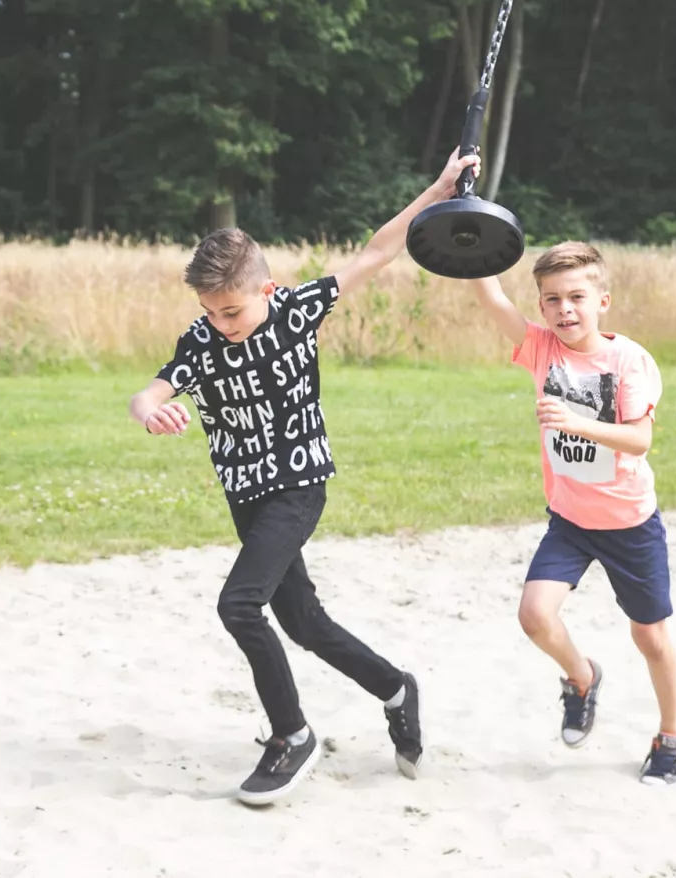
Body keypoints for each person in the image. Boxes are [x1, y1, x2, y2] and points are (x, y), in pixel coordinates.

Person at [128, 148, 478, 806]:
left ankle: (291, 735)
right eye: (211, 312)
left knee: (238, 604)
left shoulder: (295, 312)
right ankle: (397, 688)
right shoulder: (203, 340)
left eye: (232, 312)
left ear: (267, 288)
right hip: (247, 497)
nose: (221, 325)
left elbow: (376, 252)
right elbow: (152, 391)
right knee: (304, 623)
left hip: (296, 483)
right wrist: (150, 411)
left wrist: (436, 190)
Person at [469, 238, 676, 785]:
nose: (564, 310)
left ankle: (672, 735)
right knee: (535, 616)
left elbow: (639, 440)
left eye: (575, 297)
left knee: (651, 638)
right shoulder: (542, 349)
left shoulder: (629, 360)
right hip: (570, 521)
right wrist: (470, 241)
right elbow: (493, 301)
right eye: (551, 300)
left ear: (602, 301)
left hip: (629, 523)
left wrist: (576, 422)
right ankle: (582, 677)